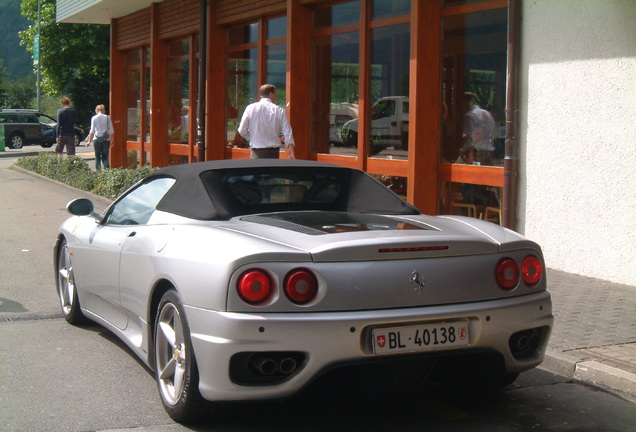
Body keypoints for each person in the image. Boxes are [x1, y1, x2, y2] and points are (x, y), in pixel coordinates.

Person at [237, 84, 296, 159]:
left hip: (256, 153)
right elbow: (287, 132)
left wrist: (253, 134)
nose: (275, 97)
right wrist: (292, 152)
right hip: (273, 154)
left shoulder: (250, 108)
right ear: (271, 94)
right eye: (275, 95)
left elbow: (242, 131)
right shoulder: (279, 110)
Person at [462, 92, 496, 165]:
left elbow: (469, 135)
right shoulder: (486, 113)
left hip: (476, 150)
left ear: (468, 102)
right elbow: (495, 133)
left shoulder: (469, 116)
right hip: (489, 149)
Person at [86, 104, 115, 171]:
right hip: (106, 139)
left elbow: (92, 130)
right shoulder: (108, 117)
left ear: (97, 110)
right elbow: (112, 131)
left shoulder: (94, 118)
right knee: (105, 157)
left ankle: (98, 172)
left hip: (96, 139)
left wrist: (89, 141)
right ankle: (107, 171)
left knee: (97, 157)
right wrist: (112, 140)